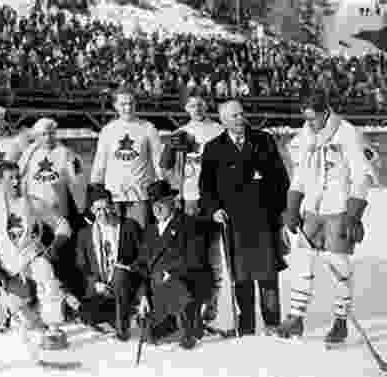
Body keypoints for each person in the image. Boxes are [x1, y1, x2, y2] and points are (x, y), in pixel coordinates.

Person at [276, 94, 379, 345]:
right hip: (311, 210)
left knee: (338, 267)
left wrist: (353, 216)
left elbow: (362, 176)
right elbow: (299, 175)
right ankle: (296, 317)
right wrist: (292, 207)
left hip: (339, 210)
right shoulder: (305, 136)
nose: (310, 123)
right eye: (306, 118)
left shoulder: (347, 133)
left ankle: (340, 321)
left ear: (326, 112)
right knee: (302, 263)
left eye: (314, 117)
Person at [199, 100, 290, 336]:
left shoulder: (264, 140)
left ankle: (272, 325)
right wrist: (213, 209)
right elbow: (206, 187)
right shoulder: (213, 148)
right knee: (241, 277)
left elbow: (281, 180)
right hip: (233, 223)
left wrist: (280, 213)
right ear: (223, 121)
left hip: (264, 219)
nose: (240, 119)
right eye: (234, 116)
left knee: (268, 275)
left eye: (242, 114)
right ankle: (246, 326)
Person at [0, 161, 80, 352]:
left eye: (18, 177)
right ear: (0, 181)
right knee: (26, 321)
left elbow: (63, 225)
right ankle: (26, 321)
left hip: (33, 258)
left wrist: (55, 246)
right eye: (11, 178)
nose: (17, 182)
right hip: (10, 270)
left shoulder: (34, 203)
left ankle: (54, 329)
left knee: (46, 275)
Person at [162, 96, 224, 323]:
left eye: (200, 104)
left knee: (213, 251)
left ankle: (214, 299)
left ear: (206, 106)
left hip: (213, 199)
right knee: (192, 253)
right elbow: (165, 166)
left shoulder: (218, 130)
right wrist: (174, 188)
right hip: (188, 198)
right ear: (185, 108)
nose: (196, 109)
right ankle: (193, 301)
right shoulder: (180, 132)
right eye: (191, 105)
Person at [133, 180, 214, 349]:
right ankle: (178, 324)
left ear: (173, 202)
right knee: (150, 334)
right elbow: (141, 266)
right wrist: (143, 295)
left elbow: (196, 260)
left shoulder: (189, 225)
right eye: (154, 204)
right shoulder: (150, 231)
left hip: (184, 286)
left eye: (161, 203)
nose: (157, 208)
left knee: (176, 289)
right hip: (158, 292)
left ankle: (189, 328)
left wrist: (172, 272)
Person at [19, 117, 87, 296]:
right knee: (39, 257)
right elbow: (19, 180)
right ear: (36, 136)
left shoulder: (65, 152)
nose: (48, 137)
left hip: (59, 214)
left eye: (51, 133)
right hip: (36, 215)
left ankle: (68, 295)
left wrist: (80, 207)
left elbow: (78, 180)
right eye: (43, 134)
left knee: (62, 256)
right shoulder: (29, 153)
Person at [90, 86, 164, 228]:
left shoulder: (148, 128)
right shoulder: (108, 130)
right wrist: (95, 191)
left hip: (140, 195)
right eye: (123, 104)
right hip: (113, 195)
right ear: (115, 106)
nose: (128, 108)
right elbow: (100, 163)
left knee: (139, 238)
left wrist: (162, 186)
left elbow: (158, 161)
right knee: (115, 237)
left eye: (131, 103)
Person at [75, 184, 140, 341]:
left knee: (120, 274)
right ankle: (117, 315)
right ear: (91, 210)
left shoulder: (129, 226)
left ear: (112, 206)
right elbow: (82, 266)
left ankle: (121, 328)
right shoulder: (85, 234)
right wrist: (95, 283)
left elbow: (143, 257)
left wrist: (128, 269)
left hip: (125, 284)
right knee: (86, 313)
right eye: (98, 210)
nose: (102, 213)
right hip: (102, 288)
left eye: (106, 208)